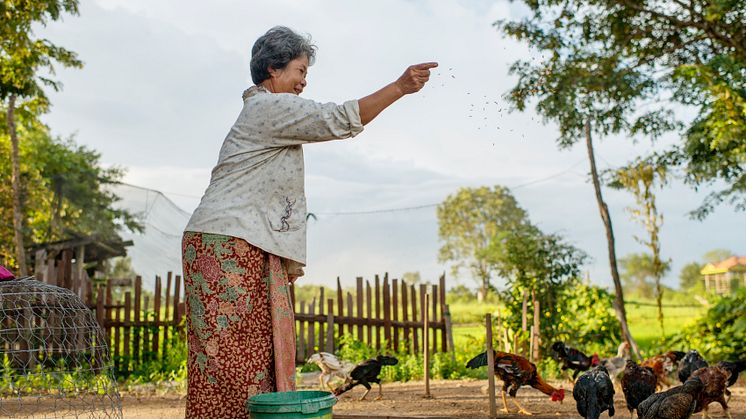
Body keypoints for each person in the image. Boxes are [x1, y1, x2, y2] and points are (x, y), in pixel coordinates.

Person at [181, 25, 436, 418]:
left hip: (232, 240)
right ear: (273, 69)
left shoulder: (270, 112)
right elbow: (337, 118)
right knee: (234, 356)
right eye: (300, 71)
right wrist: (398, 87)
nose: (303, 82)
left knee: (250, 353)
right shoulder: (268, 108)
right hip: (227, 242)